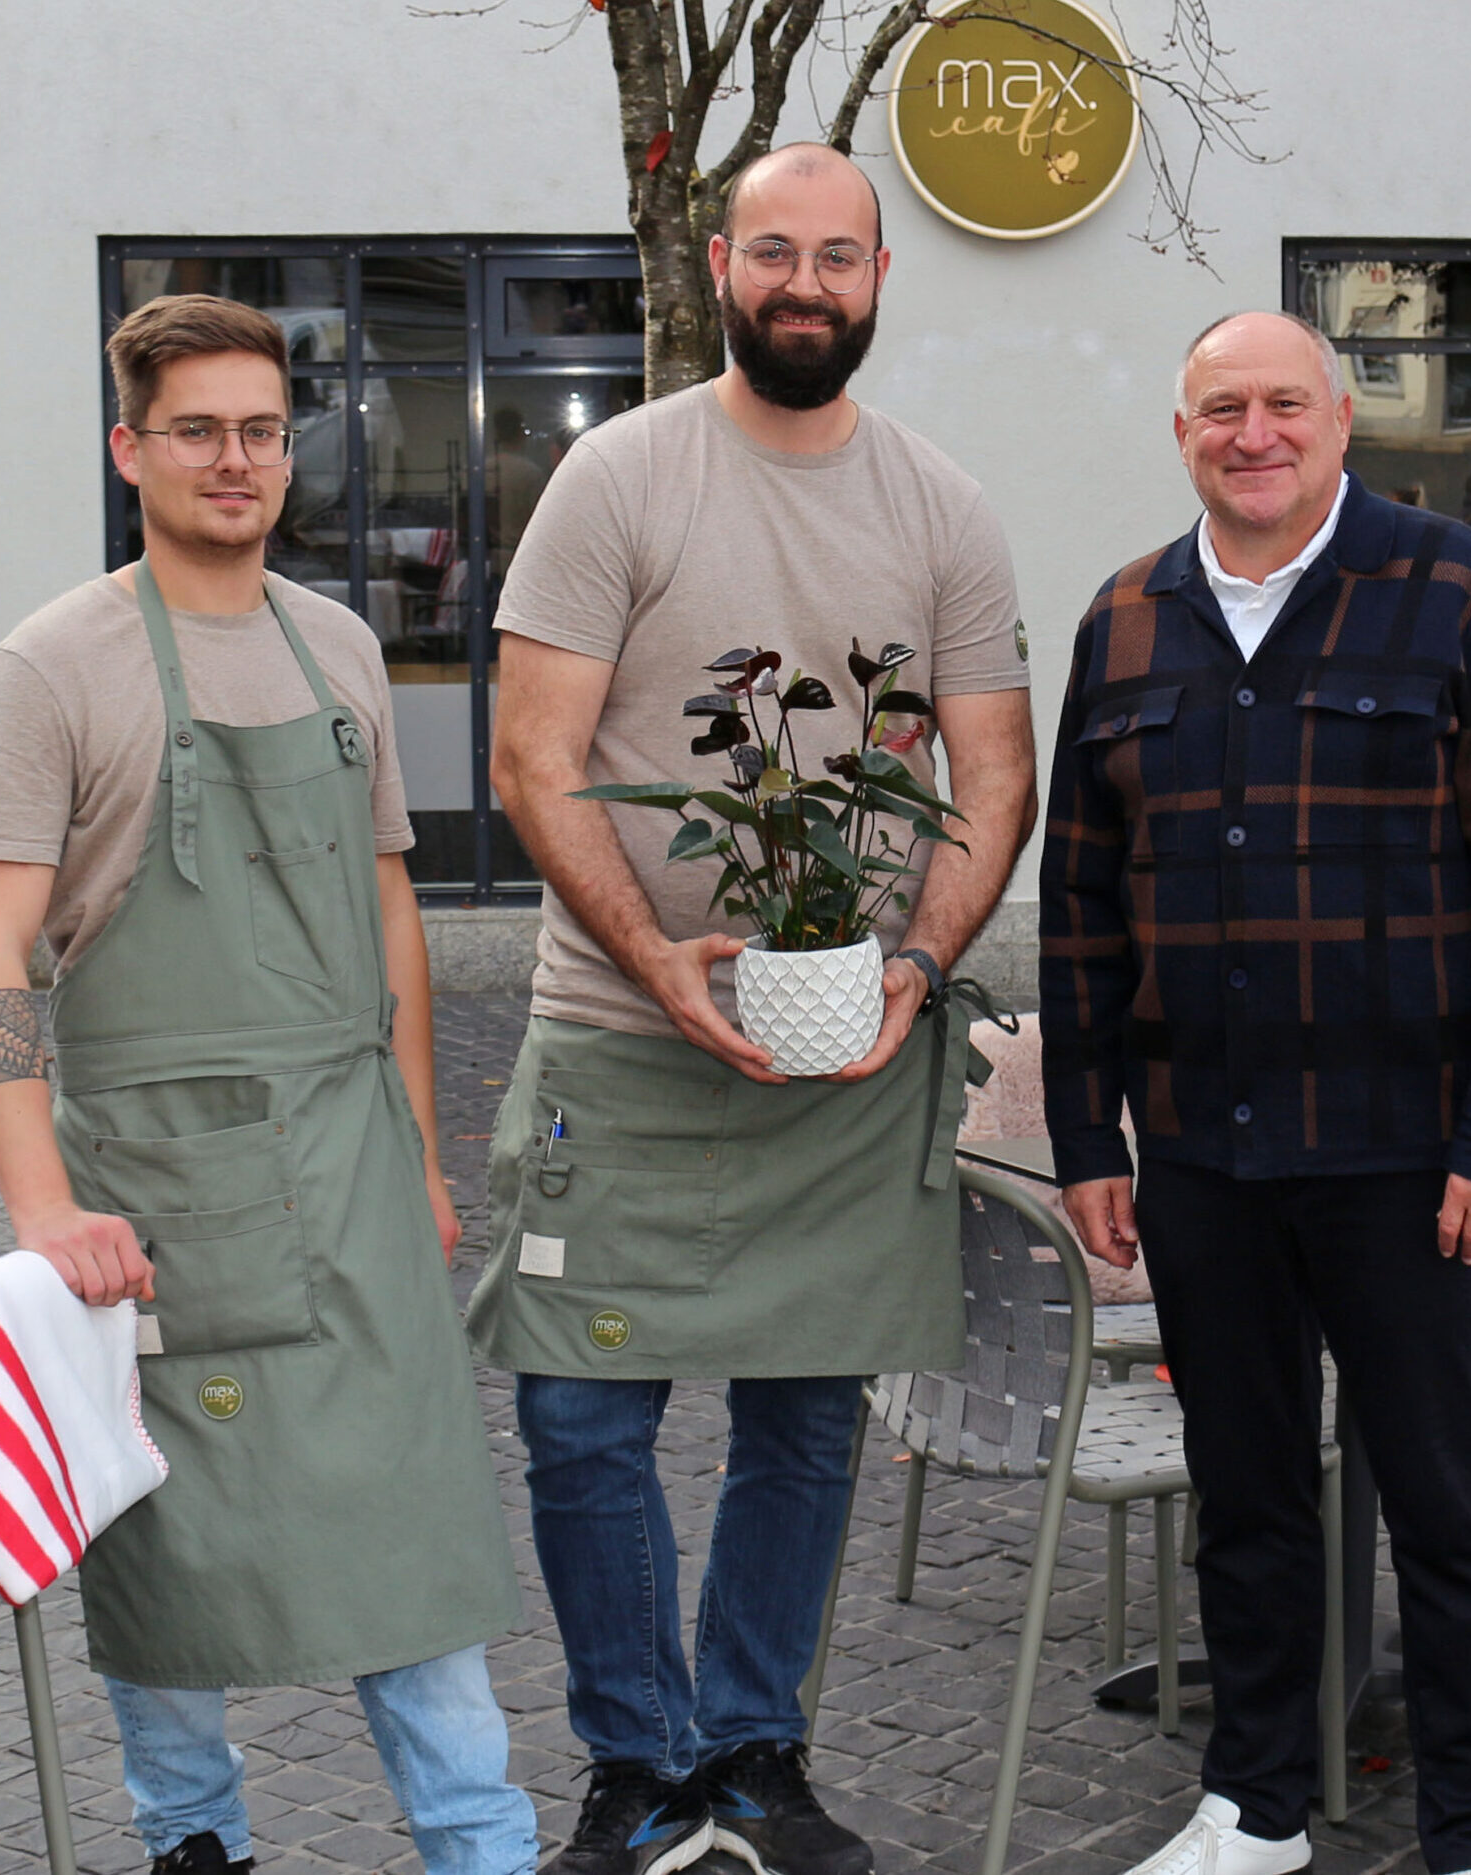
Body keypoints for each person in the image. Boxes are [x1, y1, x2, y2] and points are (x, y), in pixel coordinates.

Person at [476, 142, 1036, 1875]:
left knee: (804, 1421)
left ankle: (751, 1752)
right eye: (775, 253)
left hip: (850, 1050)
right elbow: (532, 756)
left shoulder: (940, 505)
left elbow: (994, 775)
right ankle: (632, 1761)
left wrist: (915, 972)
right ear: (724, 264)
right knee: (579, 1416)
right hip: (620, 1038)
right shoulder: (620, 478)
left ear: (881, 280)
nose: (806, 284)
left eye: (839, 258)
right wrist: (655, 958)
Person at [0, 294, 536, 1875]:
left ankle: (485, 1853)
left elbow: (392, 907)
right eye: (197, 428)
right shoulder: (55, 664)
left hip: (354, 1169)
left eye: (261, 429)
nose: (235, 458)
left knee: (423, 1569)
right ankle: (192, 1847)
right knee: (176, 1560)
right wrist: (43, 1205)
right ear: (132, 446)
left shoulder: (335, 640)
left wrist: (417, 1147)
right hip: (165, 1195)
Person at [1041, 311, 1471, 1875]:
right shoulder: (1127, 615)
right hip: (1204, 1154)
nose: (1255, 432)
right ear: (1182, 433)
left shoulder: (1456, 589)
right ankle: (1258, 1802)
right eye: (1223, 407)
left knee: (1447, 1511)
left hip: (1411, 1158)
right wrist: (1091, 1136)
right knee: (1251, 1496)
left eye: (1286, 403)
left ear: (1343, 422)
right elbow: (1080, 900)